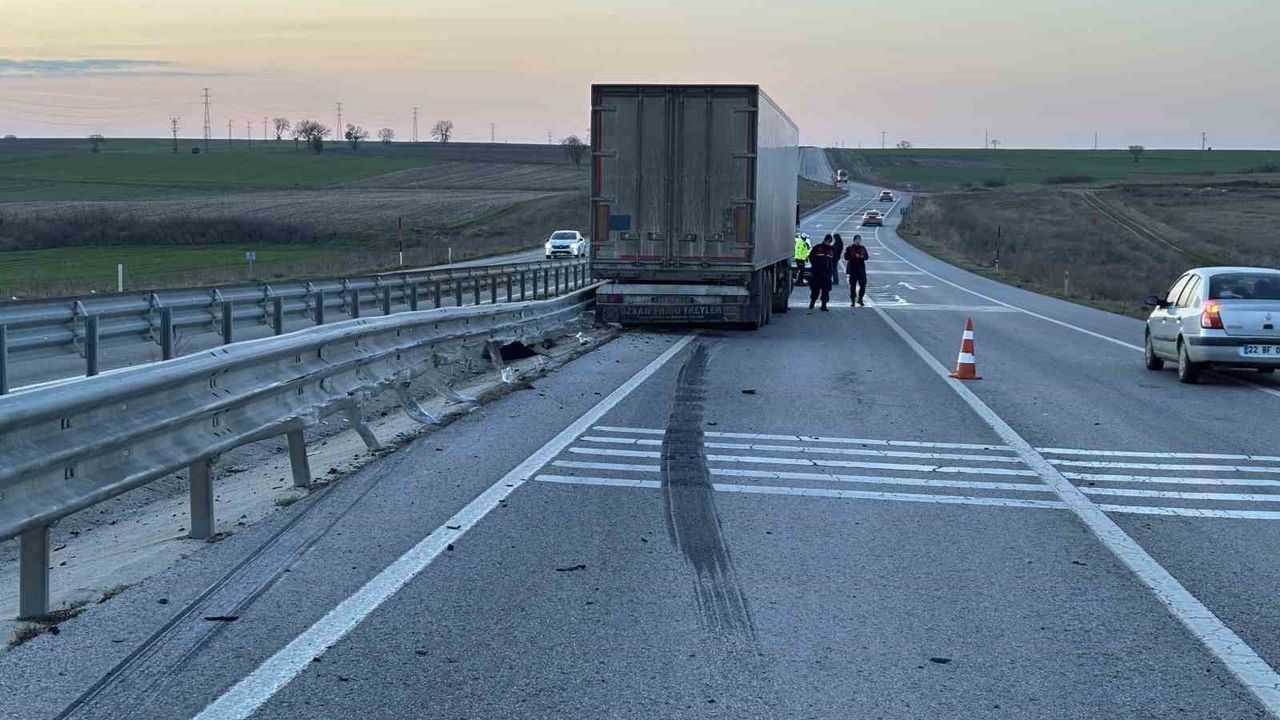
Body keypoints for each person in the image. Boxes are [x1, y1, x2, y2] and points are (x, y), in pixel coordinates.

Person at [808, 235, 835, 311]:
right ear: (825, 240)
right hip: (817, 272)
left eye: (829, 241)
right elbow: (811, 257)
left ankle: (824, 305)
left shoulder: (831, 249)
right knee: (815, 289)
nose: (828, 243)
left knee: (826, 290)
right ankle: (812, 303)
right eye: (827, 241)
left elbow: (834, 259)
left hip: (827, 273)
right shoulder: (818, 247)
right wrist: (816, 266)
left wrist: (830, 268)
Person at [844, 234, 870, 307]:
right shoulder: (849, 248)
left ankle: (860, 298)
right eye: (857, 240)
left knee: (863, 285)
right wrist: (854, 256)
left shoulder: (862, 248)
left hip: (861, 269)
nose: (858, 242)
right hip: (853, 269)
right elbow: (846, 257)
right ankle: (853, 300)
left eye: (859, 240)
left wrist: (862, 256)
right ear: (854, 240)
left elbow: (866, 257)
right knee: (852, 286)